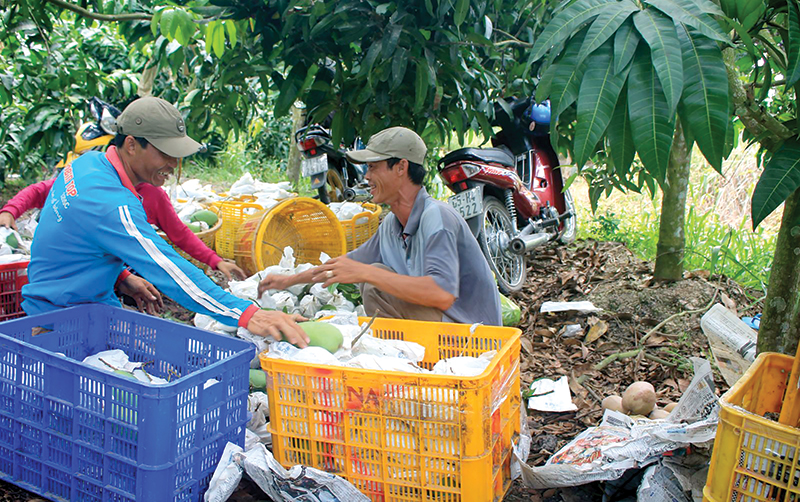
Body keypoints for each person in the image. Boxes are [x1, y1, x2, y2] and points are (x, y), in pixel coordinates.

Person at [21, 96, 308, 346]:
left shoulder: (87, 164)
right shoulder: (112, 203)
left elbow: (72, 239)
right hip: (63, 320)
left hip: (73, 302)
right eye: (165, 153)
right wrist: (246, 314)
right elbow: (168, 268)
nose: (173, 164)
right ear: (131, 145)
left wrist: (121, 277)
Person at [258, 126, 502, 326]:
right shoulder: (392, 225)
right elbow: (344, 265)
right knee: (372, 278)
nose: (366, 176)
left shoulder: (437, 217)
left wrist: (368, 273)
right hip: (441, 325)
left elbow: (442, 294)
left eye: (373, 167)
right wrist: (289, 280)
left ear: (401, 168)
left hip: (472, 336)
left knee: (374, 281)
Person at [0, 161, 246, 283]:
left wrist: (214, 260)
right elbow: (39, 191)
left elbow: (179, 233)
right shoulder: (92, 181)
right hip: (75, 267)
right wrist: (10, 211)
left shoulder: (153, 196)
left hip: (114, 267)